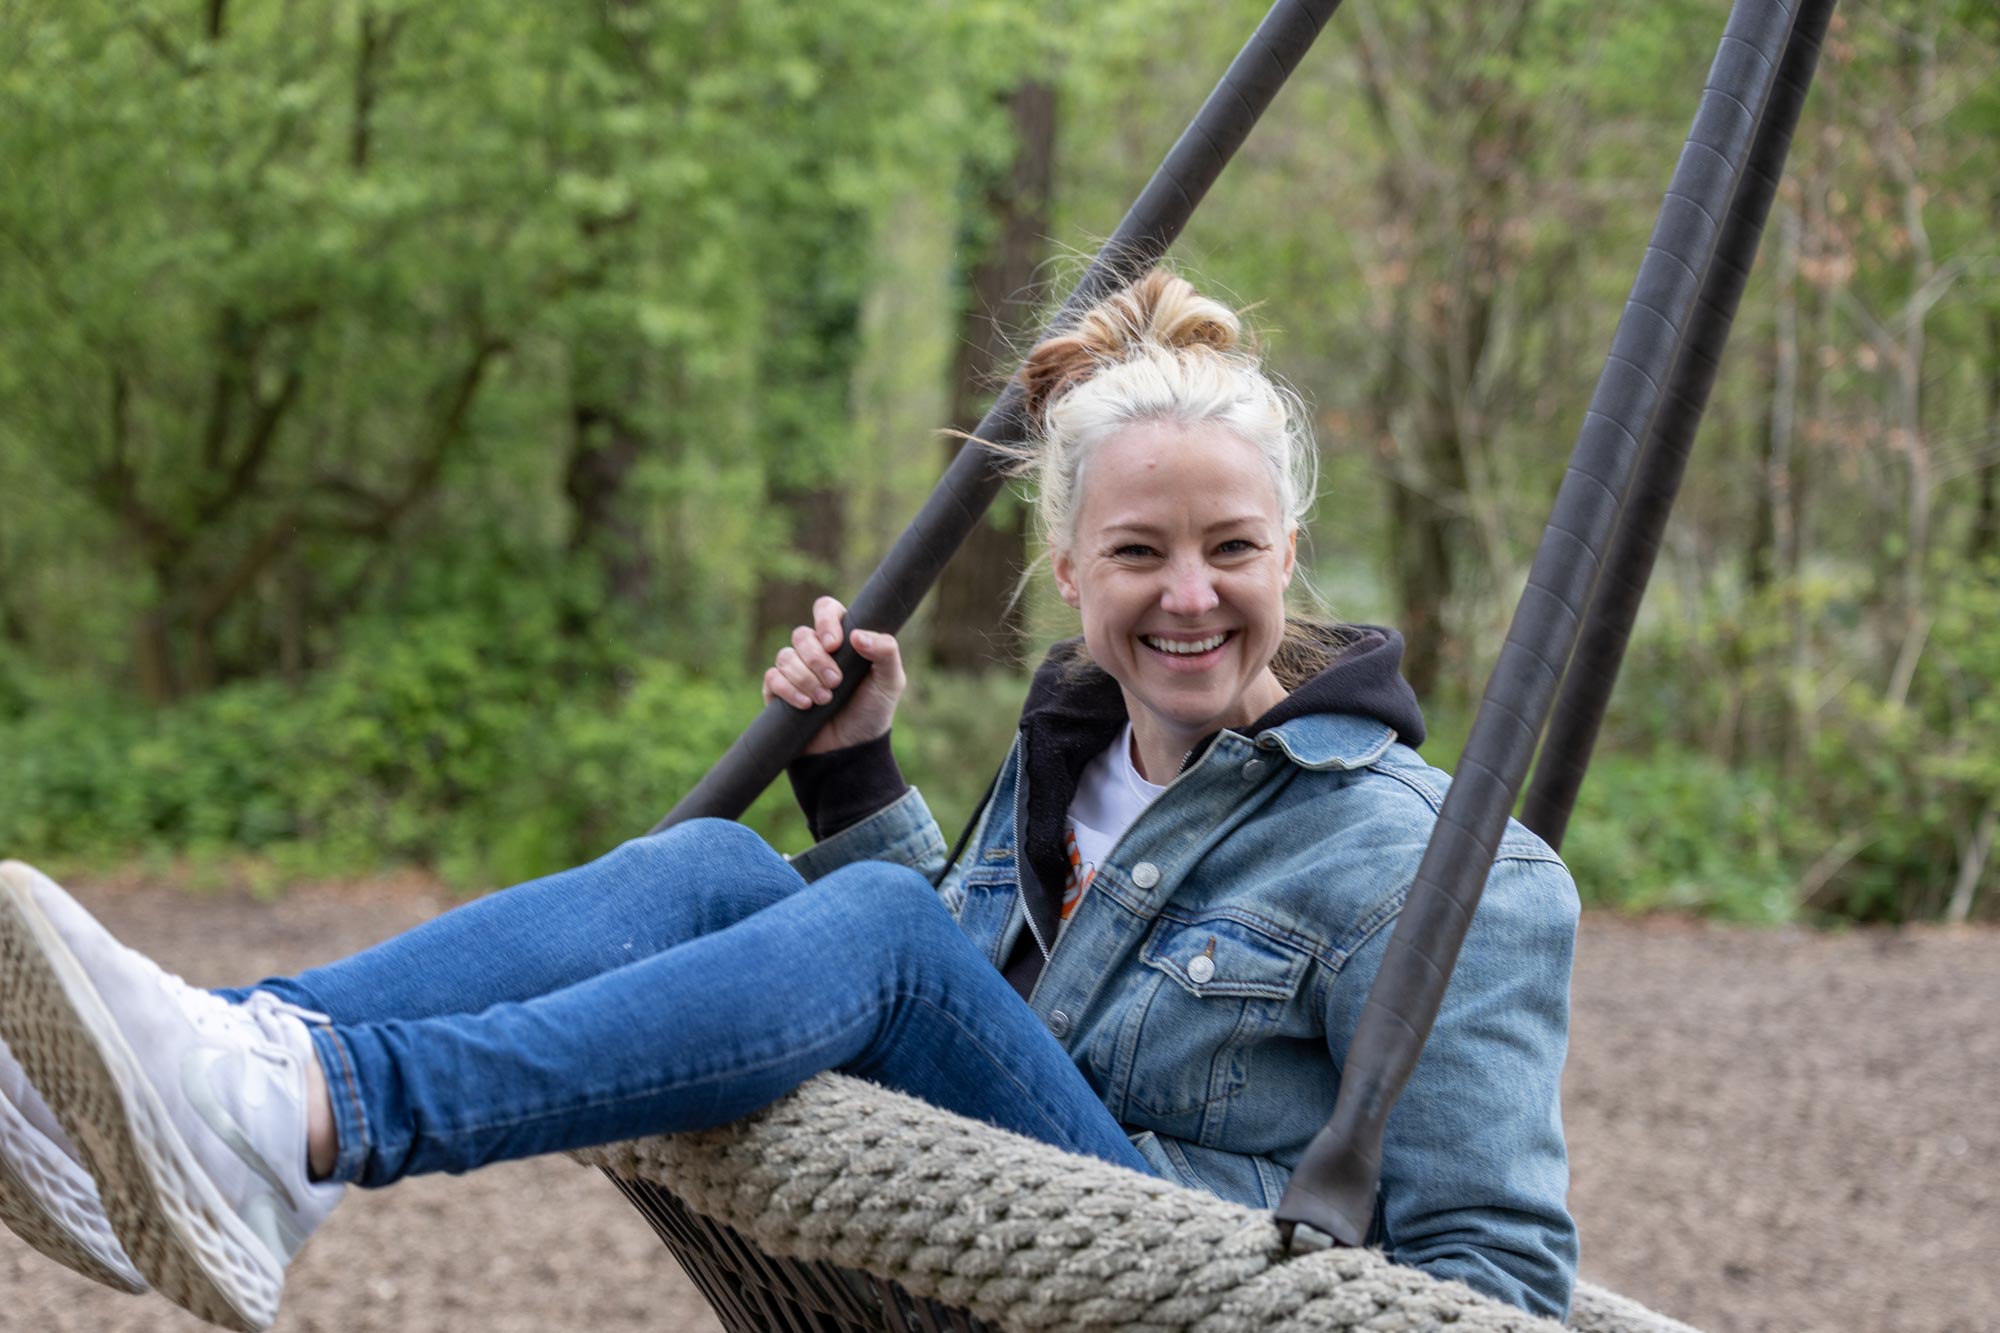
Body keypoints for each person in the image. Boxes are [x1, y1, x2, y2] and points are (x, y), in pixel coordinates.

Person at [0, 271, 1579, 1332]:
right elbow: (971, 1027)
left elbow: (1499, 1276)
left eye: (1231, 549)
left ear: (1289, 554)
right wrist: (855, 772)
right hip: (996, 1228)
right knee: (708, 863)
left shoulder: (1429, 867)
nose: (1189, 596)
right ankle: (229, 1064)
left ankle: (314, 1114)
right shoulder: (1076, 763)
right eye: (1139, 553)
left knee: (878, 919)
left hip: (1165, 1287)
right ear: (1065, 569)